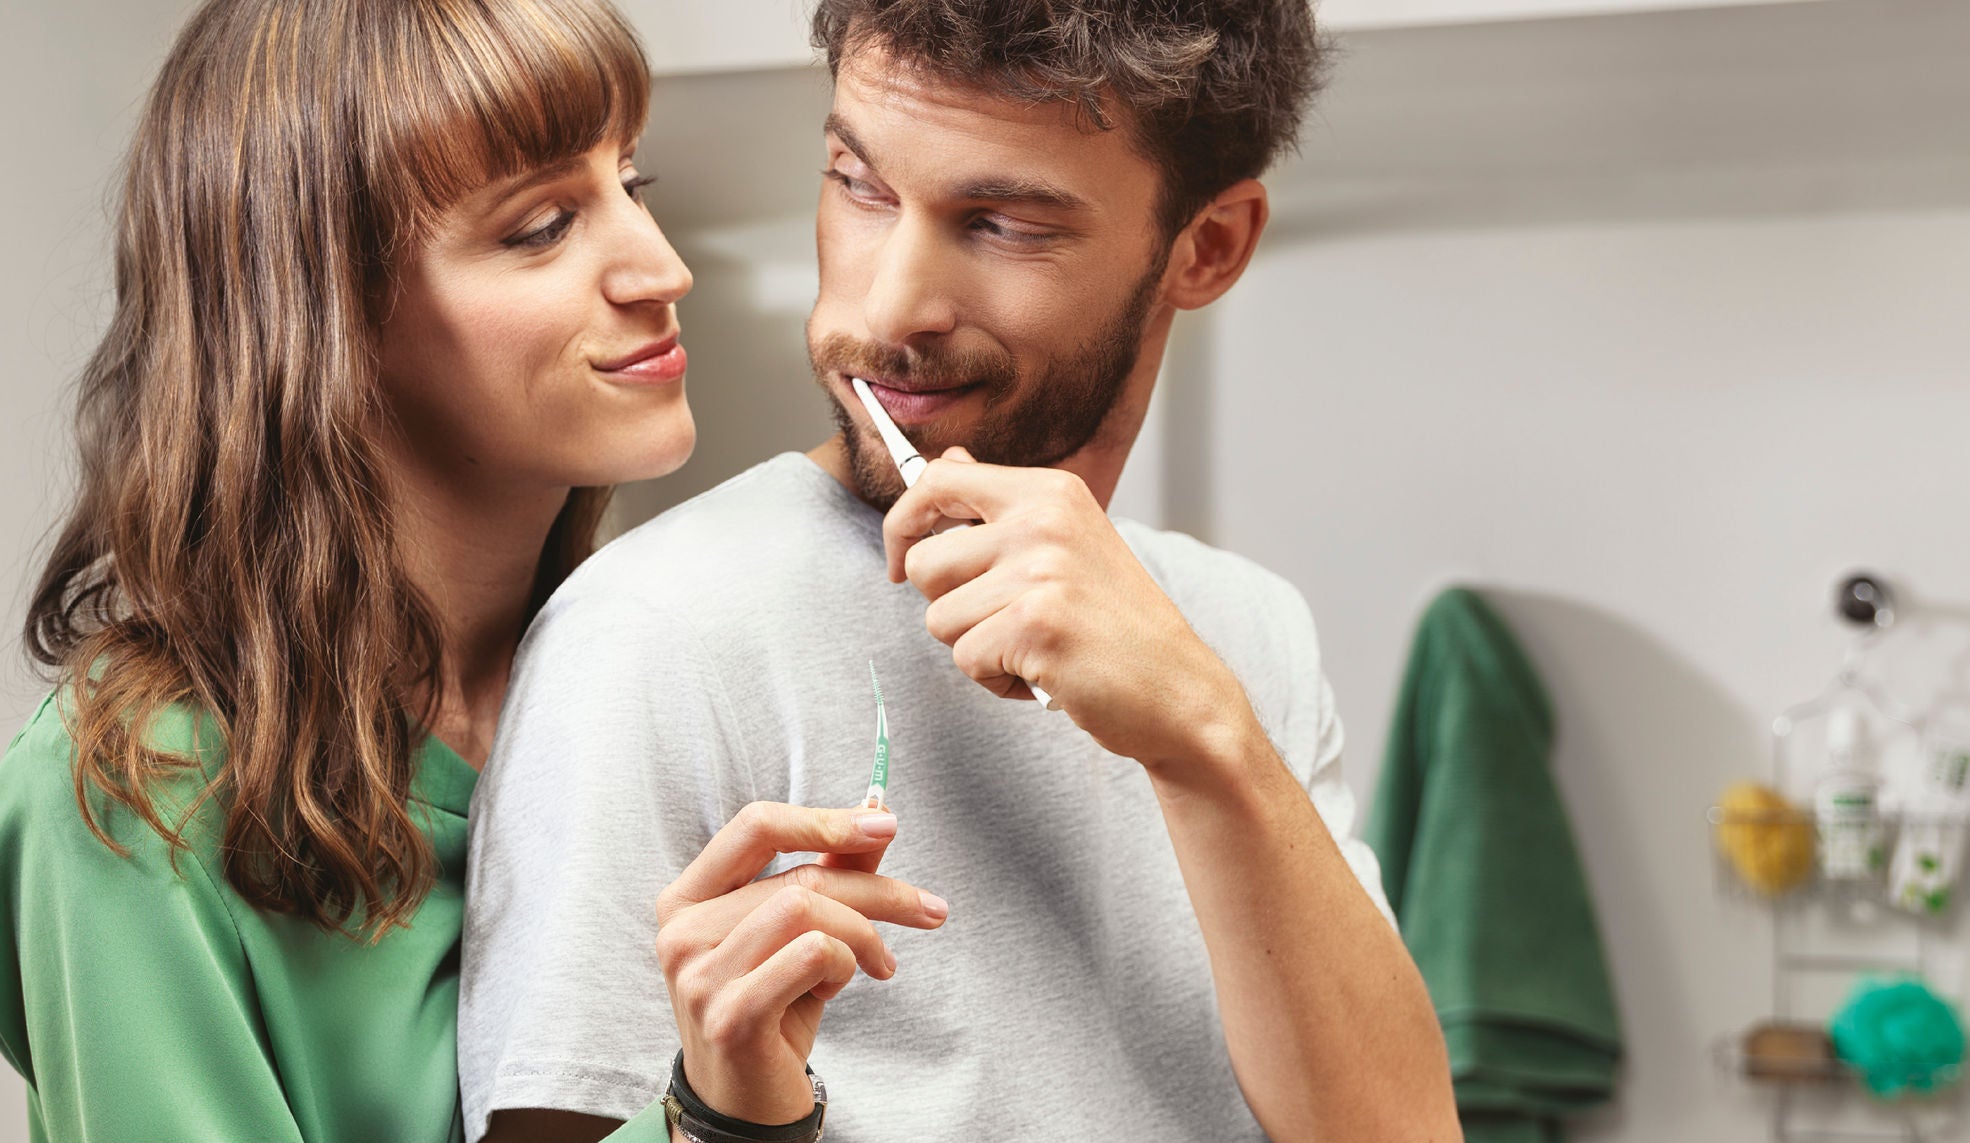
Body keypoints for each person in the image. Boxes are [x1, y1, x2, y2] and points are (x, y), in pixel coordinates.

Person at [461, 2, 1461, 1141]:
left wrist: (1205, 739)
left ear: (1208, 245)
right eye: (859, 183)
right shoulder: (655, 631)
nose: (886, 308)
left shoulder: (1245, 631)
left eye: (1000, 223)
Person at [0, 1, 695, 1139]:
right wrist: (711, 1124)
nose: (657, 268)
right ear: (321, 317)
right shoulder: (134, 796)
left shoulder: (650, 688)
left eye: (633, 183)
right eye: (540, 228)